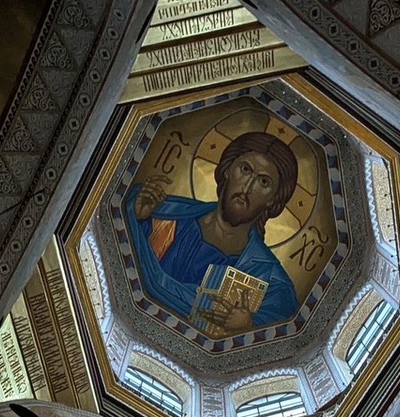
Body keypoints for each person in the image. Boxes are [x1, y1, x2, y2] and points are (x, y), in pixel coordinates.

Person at [127, 132, 299, 334]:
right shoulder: (166, 215)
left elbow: (281, 321)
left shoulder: (269, 279)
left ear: (273, 199)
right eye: (245, 170)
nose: (247, 187)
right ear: (227, 170)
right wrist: (136, 218)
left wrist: (249, 325)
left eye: (263, 182)